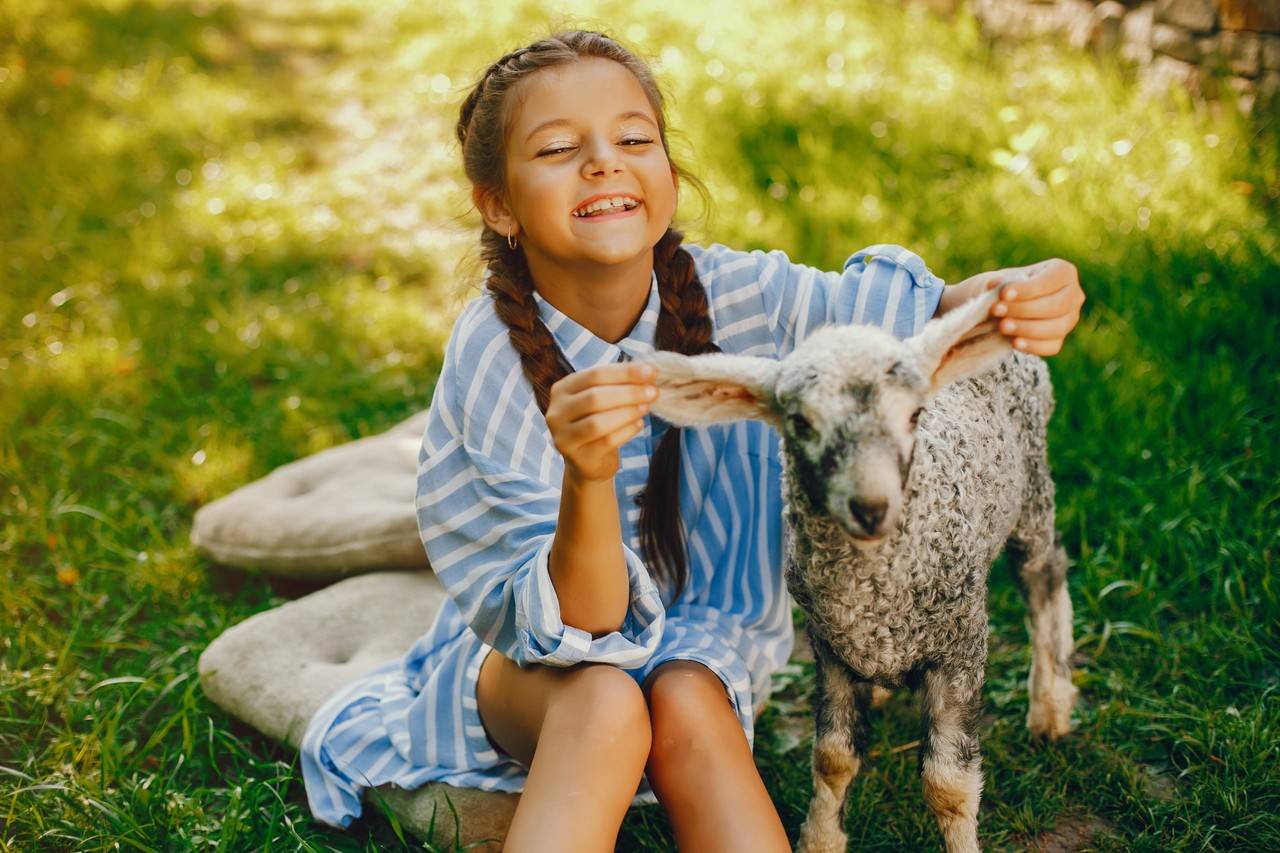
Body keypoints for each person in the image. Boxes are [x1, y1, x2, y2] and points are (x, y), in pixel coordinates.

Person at [299, 29, 1085, 852]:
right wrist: (589, 476)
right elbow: (585, 628)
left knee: (686, 700)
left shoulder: (733, 291)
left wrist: (1017, 292)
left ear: (668, 173)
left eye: (634, 140)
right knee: (607, 700)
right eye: (560, 147)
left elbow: (891, 317)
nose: (604, 162)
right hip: (541, 674)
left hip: (696, 647)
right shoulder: (494, 357)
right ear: (497, 204)